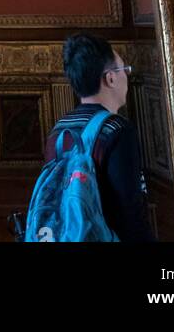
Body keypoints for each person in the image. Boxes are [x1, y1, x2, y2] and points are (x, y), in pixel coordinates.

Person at [40, 33, 154, 241]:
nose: (126, 76)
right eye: (124, 70)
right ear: (110, 78)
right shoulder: (117, 130)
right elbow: (129, 214)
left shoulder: (59, 130)